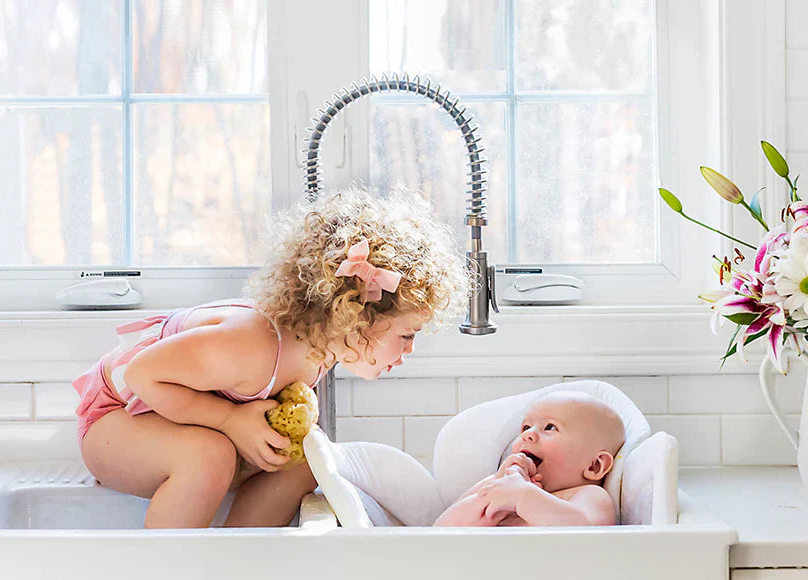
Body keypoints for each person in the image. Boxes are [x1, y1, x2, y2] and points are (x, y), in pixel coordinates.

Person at [72, 189, 471, 529]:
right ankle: (164, 570)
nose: (409, 351)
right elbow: (143, 376)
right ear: (355, 316)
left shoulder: (315, 354)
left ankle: (239, 561)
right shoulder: (253, 346)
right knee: (210, 455)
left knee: (310, 458)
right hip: (113, 421)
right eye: (406, 335)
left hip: (168, 422)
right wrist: (231, 420)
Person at [433, 391, 626, 527]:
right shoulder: (499, 484)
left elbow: (591, 535)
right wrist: (490, 494)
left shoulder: (587, 495)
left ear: (595, 465)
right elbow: (442, 530)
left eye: (550, 427)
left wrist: (522, 496)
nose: (528, 435)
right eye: (526, 428)